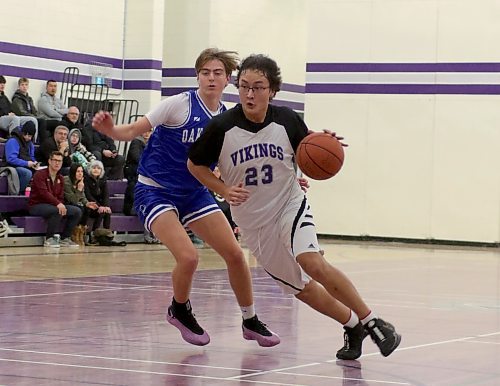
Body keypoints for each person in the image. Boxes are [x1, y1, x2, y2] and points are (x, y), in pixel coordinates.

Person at [187, 54, 402, 360]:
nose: (250, 94)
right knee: (301, 288)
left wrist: (325, 144)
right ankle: (353, 325)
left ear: (272, 90)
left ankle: (374, 322)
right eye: (244, 86)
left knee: (312, 262)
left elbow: (309, 151)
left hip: (289, 205)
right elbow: (195, 165)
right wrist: (222, 189)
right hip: (254, 223)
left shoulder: (287, 120)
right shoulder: (221, 127)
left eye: (258, 87)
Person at [92, 48, 279, 347]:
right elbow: (134, 130)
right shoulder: (178, 105)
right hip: (155, 190)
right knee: (189, 257)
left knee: (234, 254)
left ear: (228, 79)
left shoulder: (228, 118)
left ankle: (250, 319)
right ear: (197, 76)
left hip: (194, 192)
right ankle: (179, 309)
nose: (211, 78)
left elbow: (243, 162)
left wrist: (289, 177)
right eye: (205, 72)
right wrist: (112, 129)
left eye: (217, 73)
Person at [28, 151, 81, 247]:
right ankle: (49, 239)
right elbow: (43, 193)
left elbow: (60, 196)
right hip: (37, 205)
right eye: (55, 160)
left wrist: (61, 204)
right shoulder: (40, 174)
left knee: (76, 211)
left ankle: (65, 238)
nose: (57, 163)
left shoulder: (60, 177)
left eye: (60, 161)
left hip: (53, 205)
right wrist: (58, 204)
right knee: (57, 210)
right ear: (49, 161)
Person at [63, 163, 99, 245]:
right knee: (80, 208)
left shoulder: (80, 181)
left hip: (74, 203)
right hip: (64, 203)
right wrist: (79, 189)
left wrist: (87, 203)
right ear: (72, 172)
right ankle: (73, 234)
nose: (80, 173)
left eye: (82, 171)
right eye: (77, 171)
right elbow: (72, 200)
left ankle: (80, 232)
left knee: (87, 208)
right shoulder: (66, 181)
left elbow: (82, 197)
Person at [4, 121, 40, 194]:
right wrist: (27, 163)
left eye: (30, 136)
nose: (27, 137)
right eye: (25, 135)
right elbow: (11, 159)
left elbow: (31, 156)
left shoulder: (30, 143)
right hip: (11, 166)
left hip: (25, 165)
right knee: (27, 173)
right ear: (22, 132)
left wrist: (34, 162)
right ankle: (19, 193)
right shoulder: (13, 141)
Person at [83, 160, 112, 240]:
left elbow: (106, 195)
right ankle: (94, 234)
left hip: (99, 205)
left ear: (101, 171)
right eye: (94, 168)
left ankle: (107, 234)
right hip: (90, 205)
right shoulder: (86, 179)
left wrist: (106, 206)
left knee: (107, 212)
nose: (96, 170)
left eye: (98, 168)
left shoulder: (103, 180)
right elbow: (88, 195)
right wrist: (99, 206)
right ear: (90, 169)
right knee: (101, 212)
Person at [11, 77, 46, 142]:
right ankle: (34, 141)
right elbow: (21, 112)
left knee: (43, 120)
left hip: (30, 116)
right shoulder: (16, 98)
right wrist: (33, 116)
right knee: (37, 120)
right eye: (22, 85)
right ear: (19, 86)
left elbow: (34, 110)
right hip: (21, 117)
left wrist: (36, 115)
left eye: (26, 85)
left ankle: (43, 141)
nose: (24, 87)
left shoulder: (29, 98)